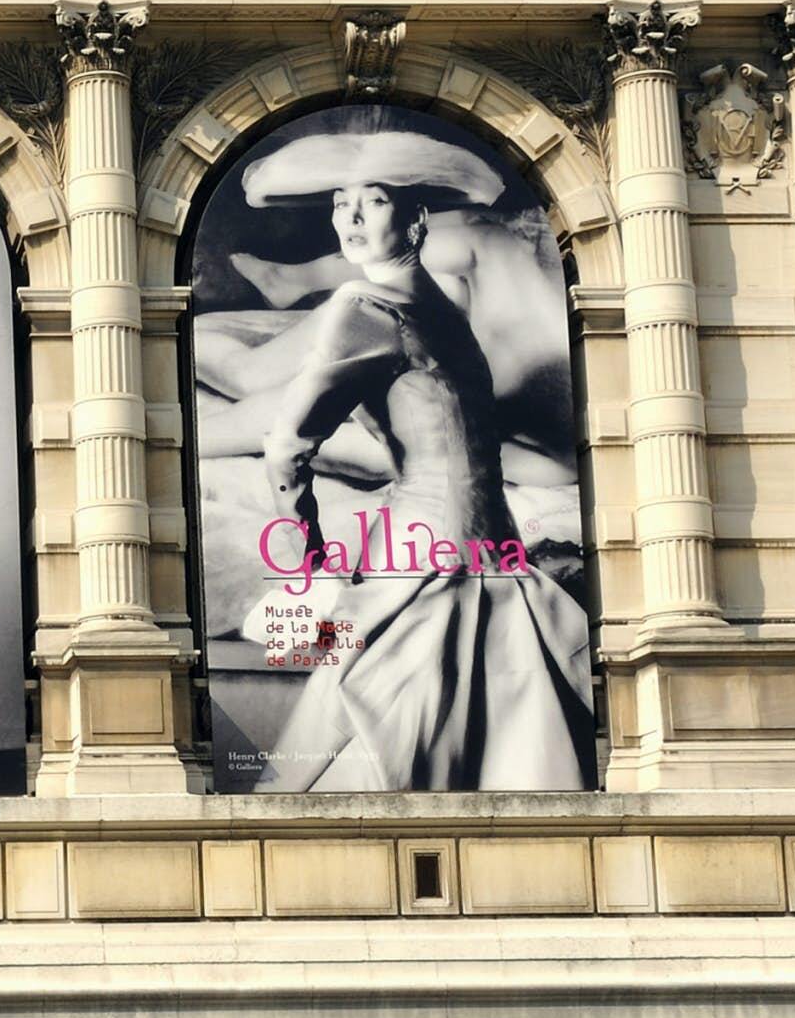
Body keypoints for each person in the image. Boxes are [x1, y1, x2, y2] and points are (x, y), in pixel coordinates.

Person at [240, 127, 593, 791]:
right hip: (437, 561)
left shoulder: (420, 306)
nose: (346, 217)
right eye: (339, 202)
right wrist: (310, 556)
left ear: (416, 217)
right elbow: (286, 447)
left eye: (370, 201)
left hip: (469, 557)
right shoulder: (373, 305)